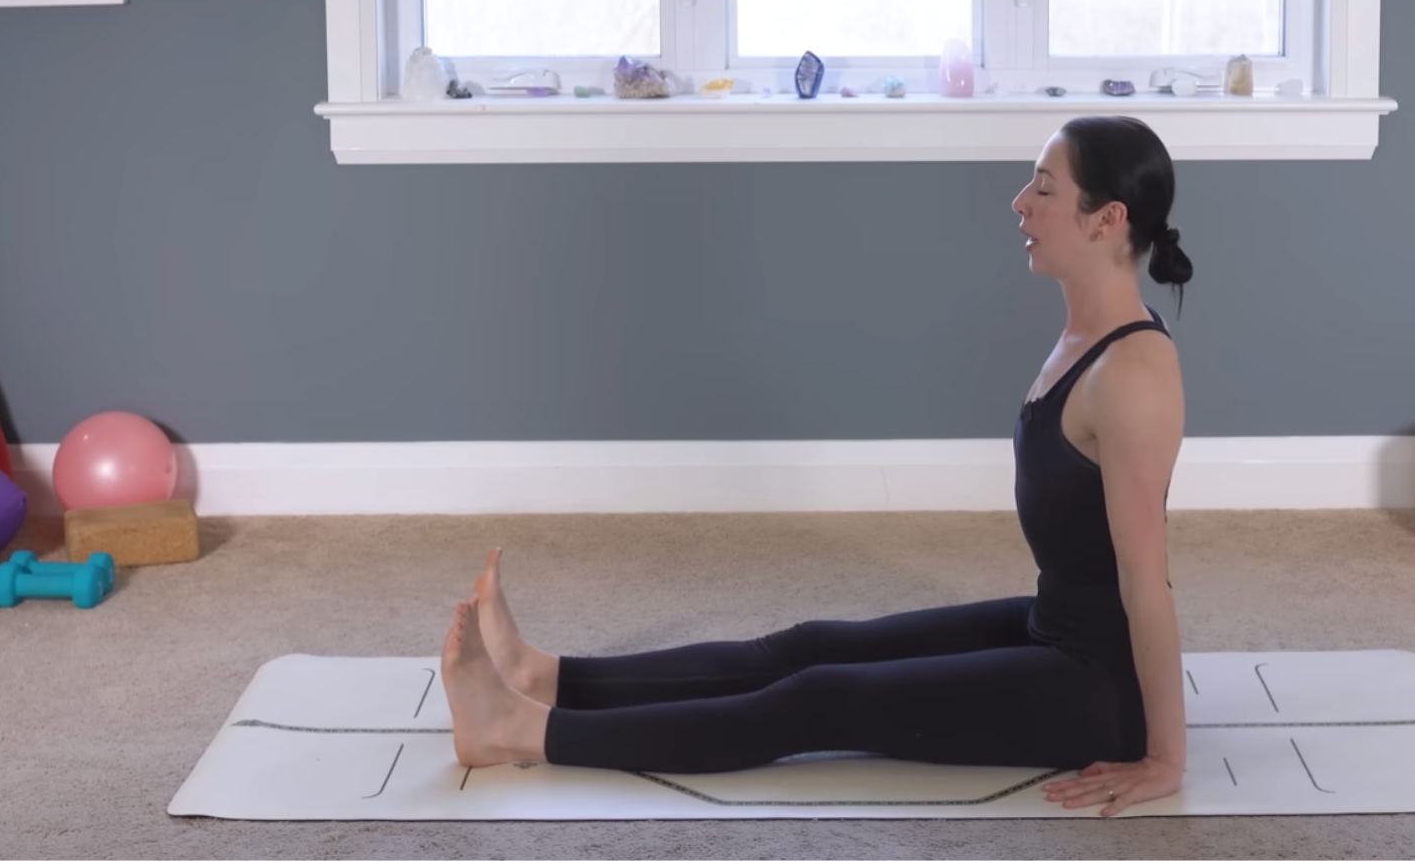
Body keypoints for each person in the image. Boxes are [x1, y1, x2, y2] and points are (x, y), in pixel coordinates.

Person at [437, 115, 1193, 818]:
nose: (1020, 202)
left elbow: (1146, 581)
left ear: (1106, 219)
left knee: (818, 700)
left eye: (1045, 189)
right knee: (808, 647)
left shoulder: (1131, 375)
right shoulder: (1089, 339)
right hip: (1054, 627)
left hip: (1097, 688)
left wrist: (1165, 758)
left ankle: (514, 730)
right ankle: (543, 677)